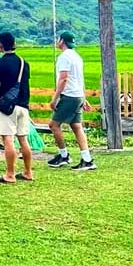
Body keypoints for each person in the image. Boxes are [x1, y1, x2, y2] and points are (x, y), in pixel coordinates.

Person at [0, 32, 34, 184]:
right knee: (23, 139)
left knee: (8, 140)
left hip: (7, 107)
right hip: (23, 105)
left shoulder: (0, 63)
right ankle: (27, 171)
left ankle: (10, 174)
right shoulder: (23, 62)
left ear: (1, 45)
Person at [47, 32, 96, 171]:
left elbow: (64, 79)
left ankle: (64, 155)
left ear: (62, 41)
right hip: (78, 95)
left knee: (54, 125)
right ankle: (87, 159)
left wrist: (55, 99)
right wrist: (84, 97)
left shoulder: (64, 57)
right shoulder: (77, 56)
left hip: (69, 96)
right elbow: (80, 79)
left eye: (58, 39)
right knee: (76, 126)